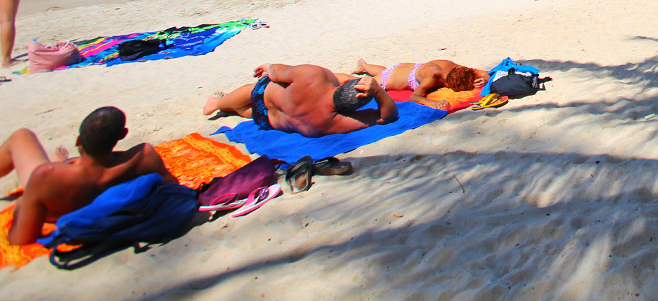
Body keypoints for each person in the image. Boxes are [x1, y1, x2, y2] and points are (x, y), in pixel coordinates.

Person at [1, 107, 177, 246]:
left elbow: (20, 239)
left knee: (21, 136)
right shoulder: (144, 157)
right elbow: (174, 189)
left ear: (78, 141)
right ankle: (67, 160)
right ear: (123, 135)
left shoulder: (46, 176)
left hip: (58, 212)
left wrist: (21, 206)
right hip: (97, 201)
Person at [203, 63, 398, 137]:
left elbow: (278, 72)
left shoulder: (313, 75)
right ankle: (235, 110)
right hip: (267, 121)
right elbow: (388, 116)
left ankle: (218, 104)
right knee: (254, 111)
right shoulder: (331, 122)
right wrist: (379, 94)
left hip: (263, 96)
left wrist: (269, 67)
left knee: (257, 90)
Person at [353, 57, 488, 104]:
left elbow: (485, 73)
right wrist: (433, 103)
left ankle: (364, 65)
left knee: (383, 70)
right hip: (389, 79)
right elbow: (414, 97)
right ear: (448, 84)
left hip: (403, 69)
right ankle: (350, 74)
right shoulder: (431, 77)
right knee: (356, 82)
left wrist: (483, 79)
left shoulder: (452, 66)